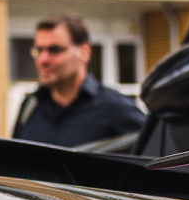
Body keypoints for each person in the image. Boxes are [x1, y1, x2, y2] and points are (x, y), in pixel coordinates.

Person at [11, 13, 147, 147]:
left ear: (84, 52)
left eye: (55, 50)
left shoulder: (116, 108)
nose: (42, 59)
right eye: (39, 50)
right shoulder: (30, 106)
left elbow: (155, 158)